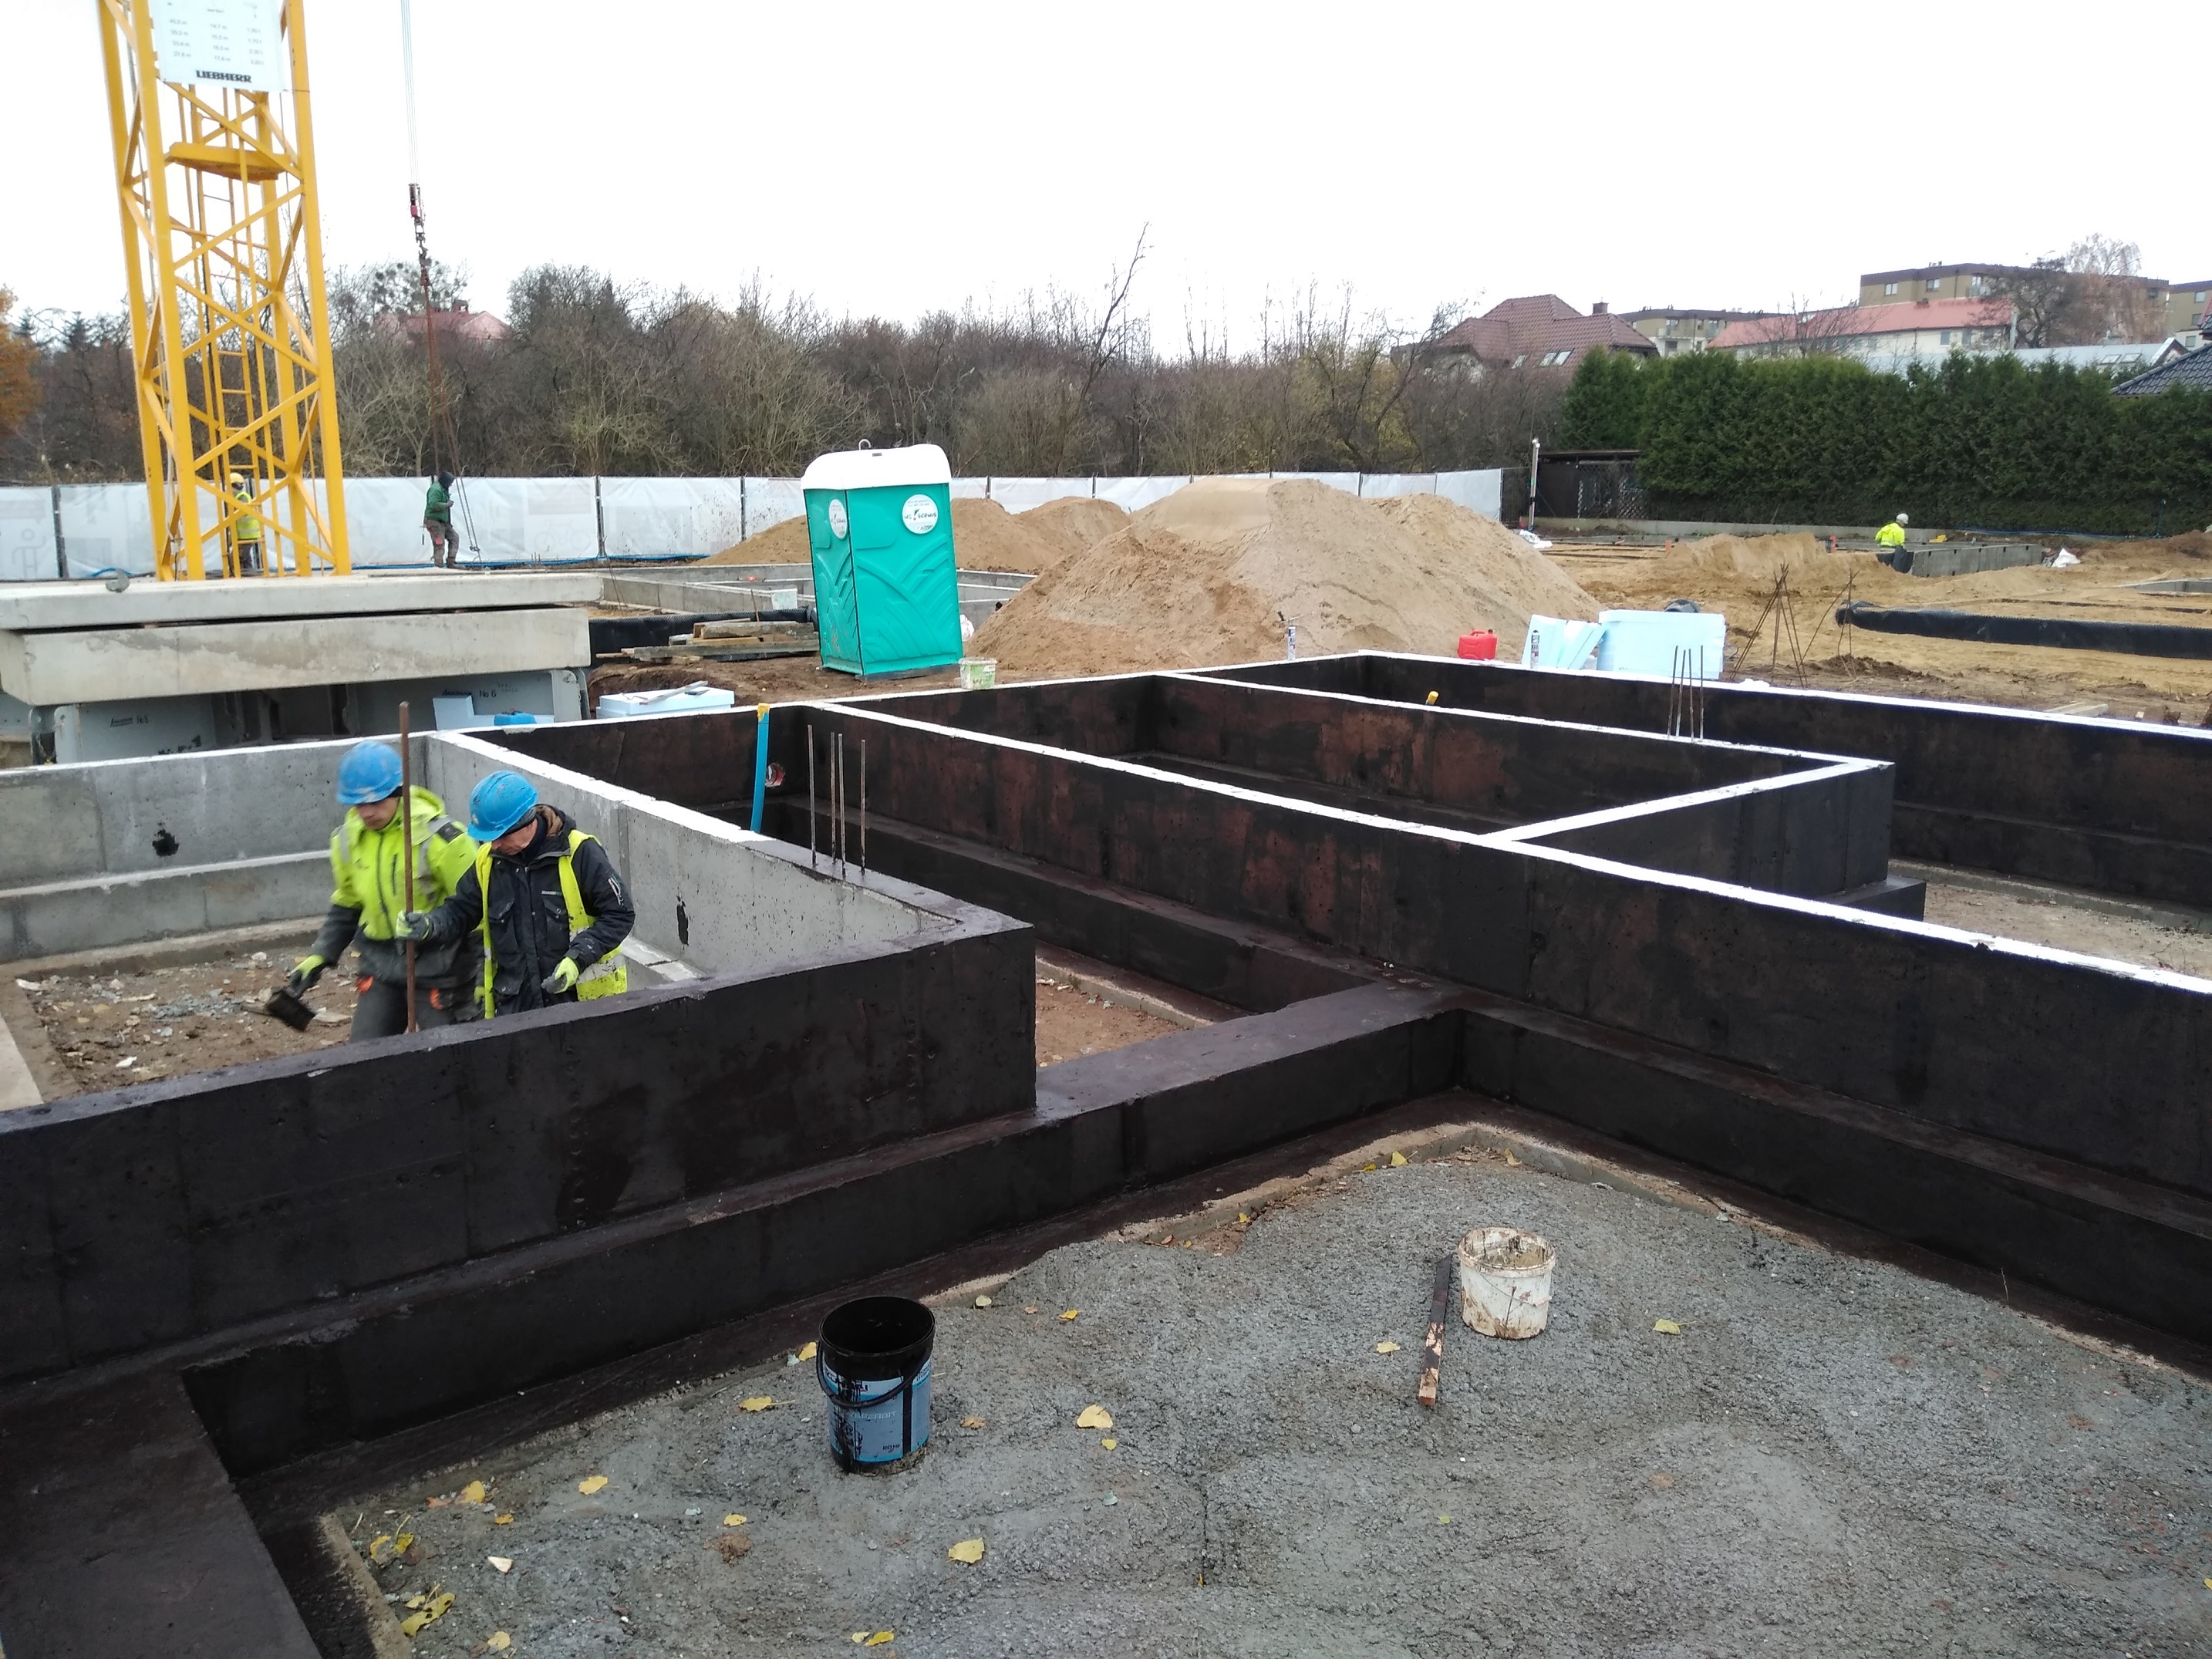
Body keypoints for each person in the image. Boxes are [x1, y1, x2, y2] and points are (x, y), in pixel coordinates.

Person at [401, 771, 635, 1019]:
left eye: (500, 836)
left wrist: (578, 958)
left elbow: (620, 914)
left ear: (528, 823)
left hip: (580, 1005)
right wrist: (431, 924)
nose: (494, 845)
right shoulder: (488, 862)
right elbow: (461, 910)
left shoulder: (578, 852)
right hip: (515, 1006)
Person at [288, 740, 479, 1040]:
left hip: (440, 968)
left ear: (397, 792)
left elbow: (477, 908)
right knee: (364, 1056)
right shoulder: (347, 840)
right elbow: (348, 904)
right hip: (381, 966)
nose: (367, 812)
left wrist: (481, 976)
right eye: (358, 804)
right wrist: (321, 954)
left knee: (450, 1053)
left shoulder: (442, 839)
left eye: (376, 802)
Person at [423, 469, 460, 568]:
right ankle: (439, 566)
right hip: (434, 521)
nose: (450, 485)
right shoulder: (435, 490)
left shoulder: (443, 488)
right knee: (439, 544)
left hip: (443, 522)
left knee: (454, 538)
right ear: (445, 481)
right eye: (450, 483)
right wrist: (446, 505)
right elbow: (433, 504)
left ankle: (451, 561)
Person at [231, 471, 262, 575]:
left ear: (233, 486)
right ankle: (249, 574)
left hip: (248, 535)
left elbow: (242, 512)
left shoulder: (242, 497)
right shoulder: (237, 497)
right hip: (244, 536)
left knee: (237, 557)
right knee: (245, 557)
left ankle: (246, 574)